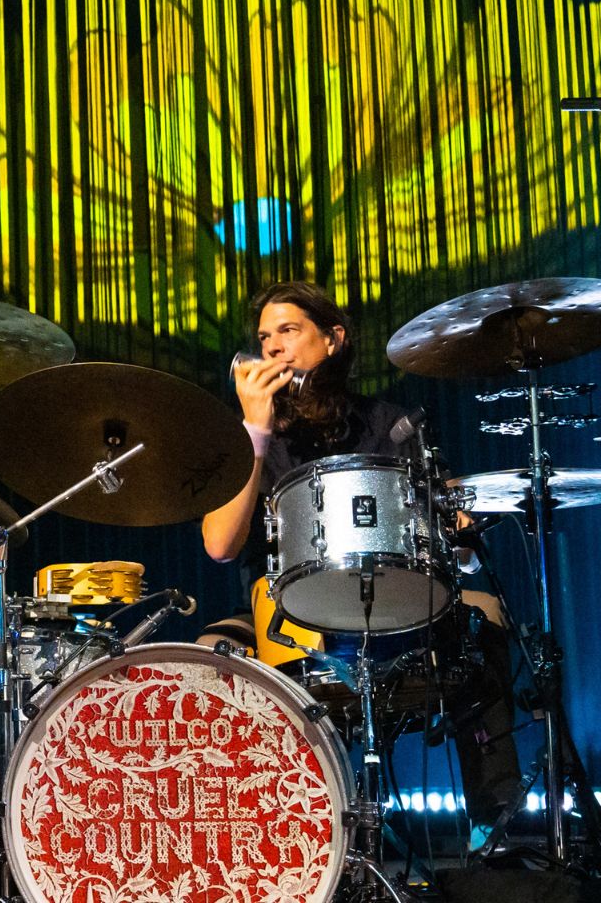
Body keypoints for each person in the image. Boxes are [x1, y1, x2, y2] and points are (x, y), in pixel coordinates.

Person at [198, 281, 521, 845]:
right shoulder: (246, 435)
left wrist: (459, 532)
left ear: (333, 339)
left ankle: (496, 827)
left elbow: (455, 547)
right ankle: (254, 843)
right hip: (282, 611)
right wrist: (254, 427)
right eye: (264, 338)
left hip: (395, 605)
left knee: (488, 613)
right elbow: (221, 545)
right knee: (204, 656)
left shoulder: (393, 425)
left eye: (289, 331)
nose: (273, 347)